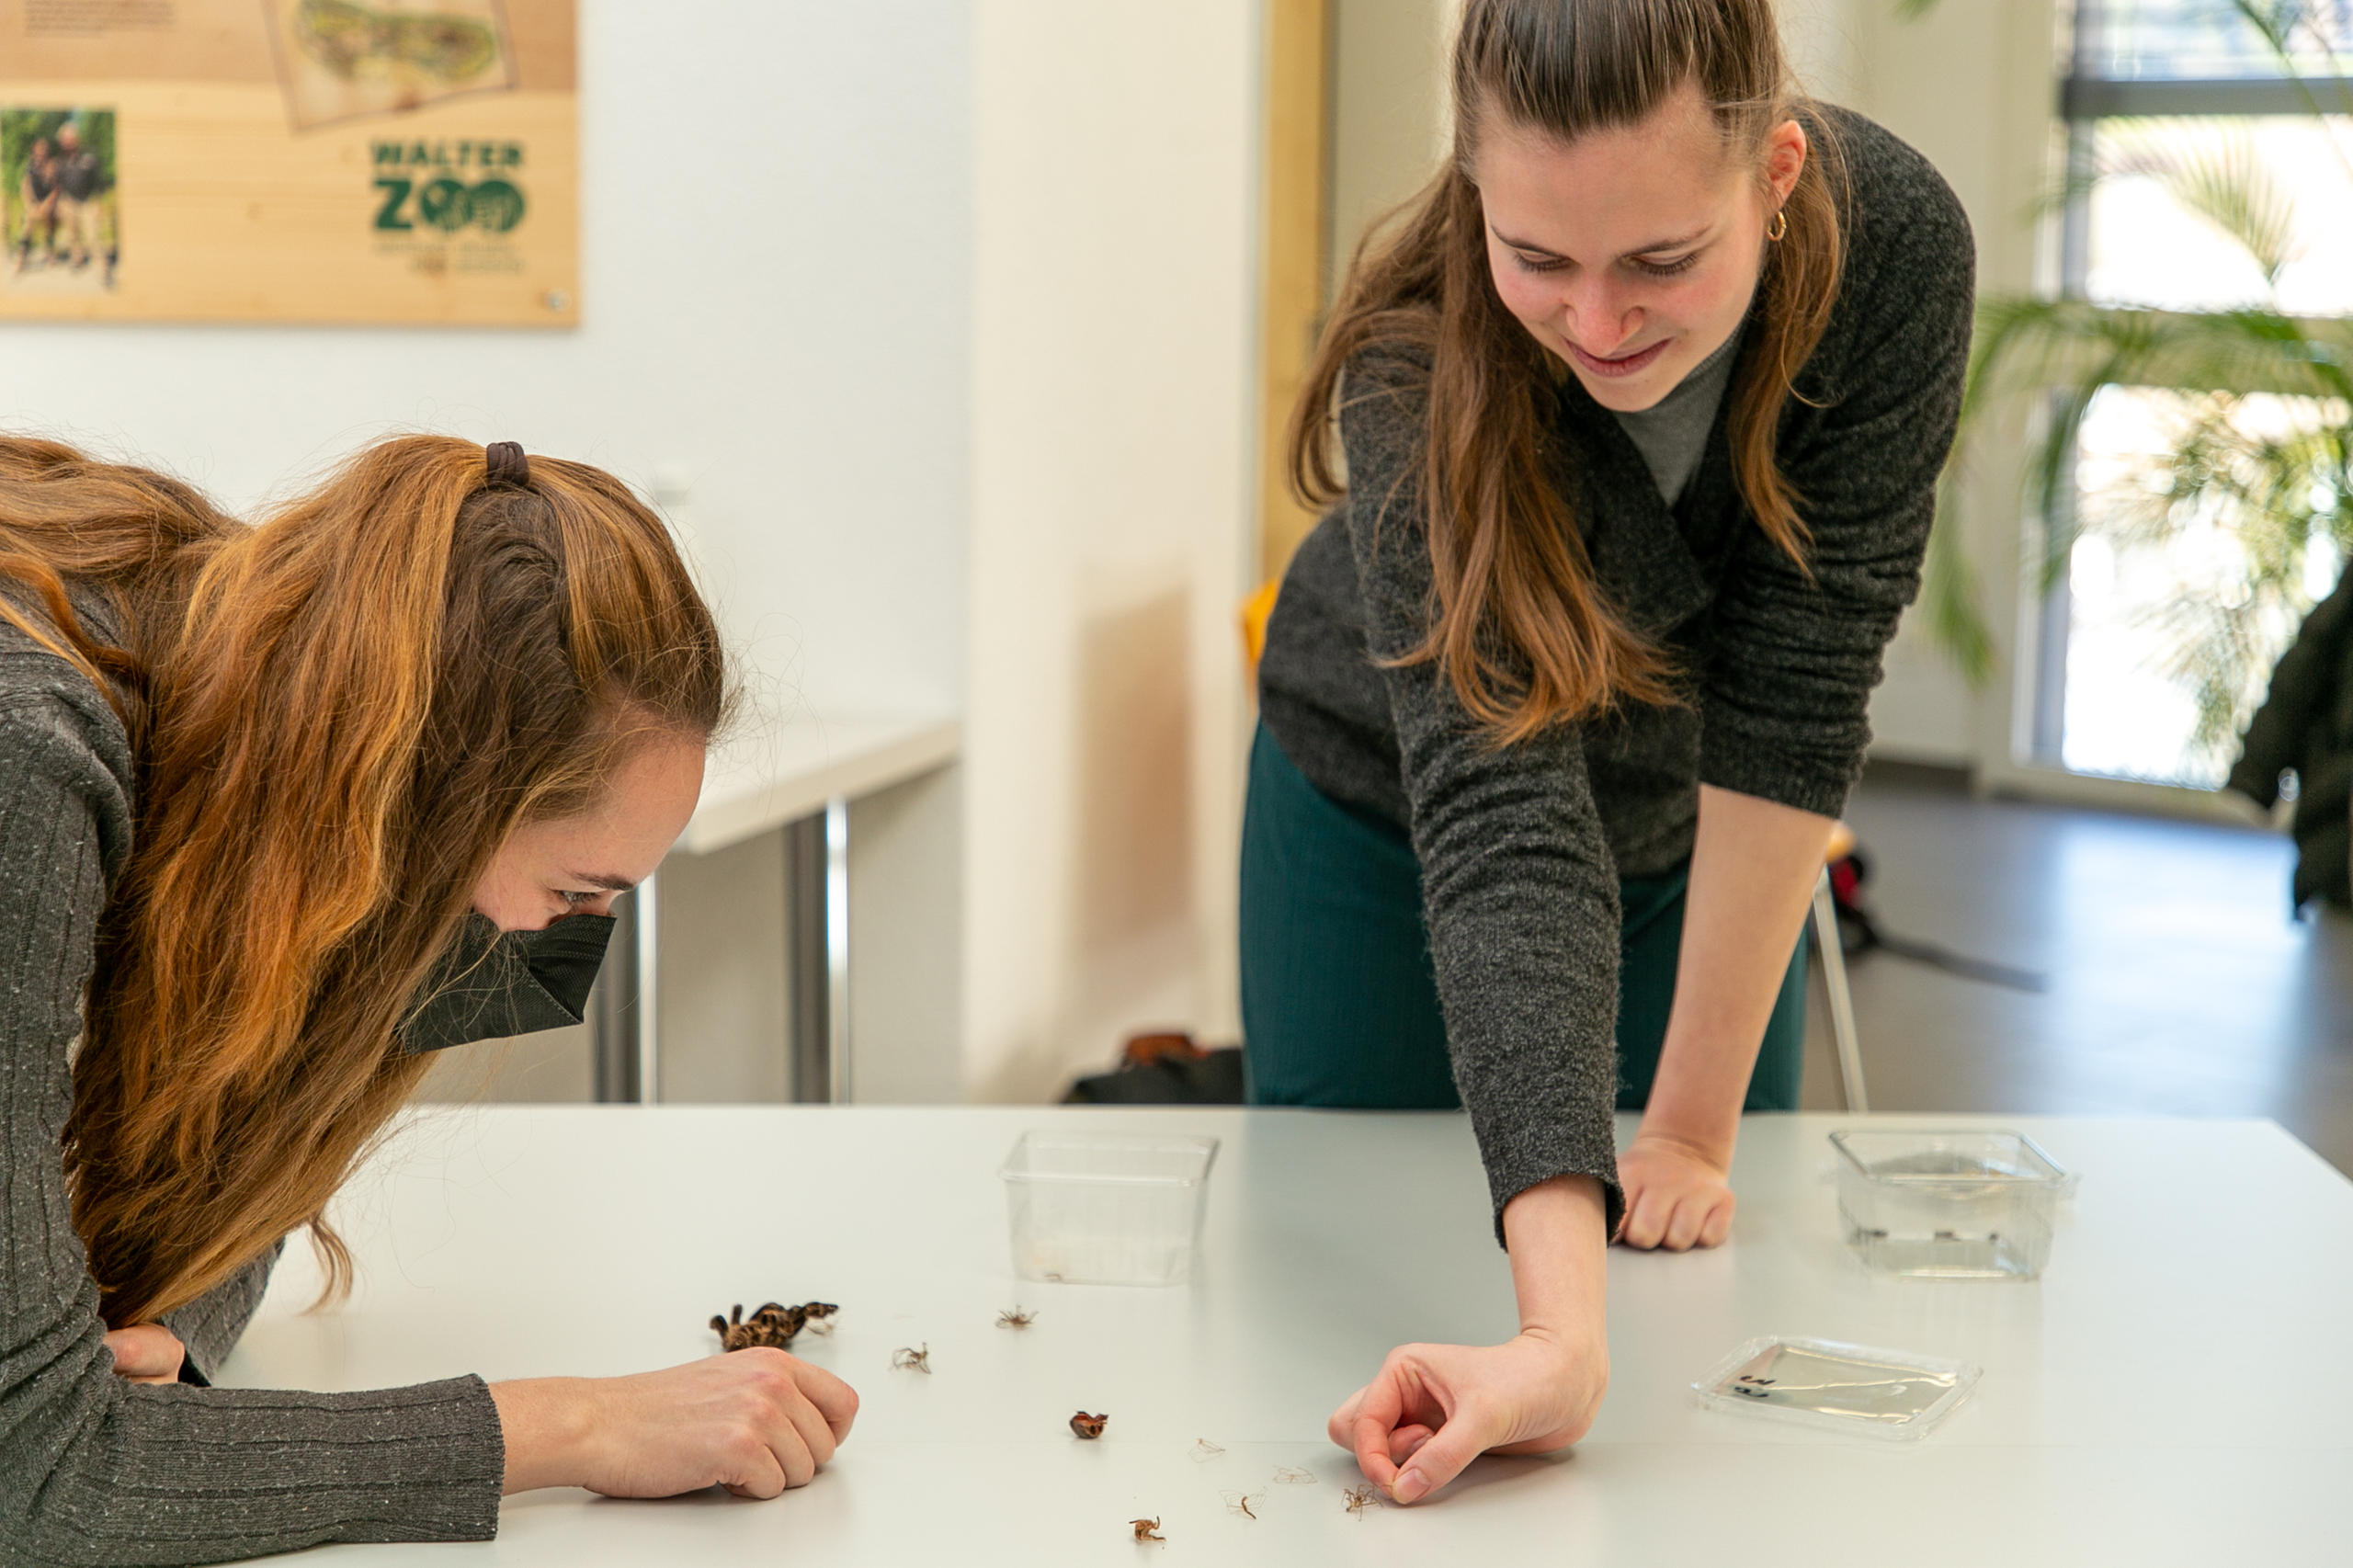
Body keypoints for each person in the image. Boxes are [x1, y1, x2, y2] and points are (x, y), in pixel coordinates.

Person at [1245, 0, 1972, 1504]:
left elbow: (1803, 676)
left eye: (1660, 261)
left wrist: (1691, 1130)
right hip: (1383, 818)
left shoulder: (1893, 250)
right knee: (1347, 1245)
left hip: (1696, 824)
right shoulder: (1414, 361)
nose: (1593, 325)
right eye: (1535, 259)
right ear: (1470, 188)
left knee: (1713, 1309)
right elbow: (1504, 825)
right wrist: (1557, 1346)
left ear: (1775, 172)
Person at [0, 436, 858, 1562]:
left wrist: (166, 1325)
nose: (569, 950)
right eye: (572, 890)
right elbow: (33, 1475)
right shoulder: (33, 758)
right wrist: (580, 1424)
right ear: (417, 811)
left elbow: (252, 1155)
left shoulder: (271, 686)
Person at [51, 121, 107, 274]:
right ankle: (77, 258)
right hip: (69, 202)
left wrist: (99, 203)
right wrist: (59, 205)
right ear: (62, 143)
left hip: (88, 201)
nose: (68, 142)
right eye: (65, 140)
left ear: (77, 139)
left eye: (71, 139)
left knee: (92, 234)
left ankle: (101, 264)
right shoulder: (60, 162)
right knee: (72, 234)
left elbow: (98, 181)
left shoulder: (89, 157)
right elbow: (58, 186)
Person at [14, 134, 59, 274]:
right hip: (34, 204)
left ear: (46, 151)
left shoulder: (52, 165)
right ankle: (22, 257)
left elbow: (56, 188)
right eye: (38, 150)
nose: (41, 152)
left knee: (49, 224)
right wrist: (31, 205)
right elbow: (26, 187)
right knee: (27, 224)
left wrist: (46, 204)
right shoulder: (29, 166)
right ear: (34, 151)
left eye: (43, 150)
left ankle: (49, 251)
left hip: (48, 203)